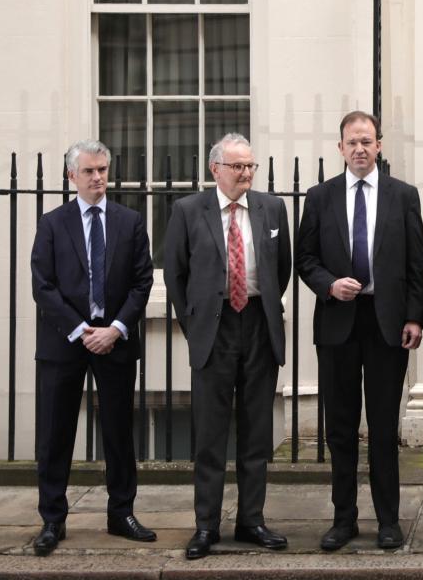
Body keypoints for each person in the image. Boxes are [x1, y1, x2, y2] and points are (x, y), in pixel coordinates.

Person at [295, 111, 423, 552]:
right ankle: (343, 518)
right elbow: (304, 259)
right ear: (340, 148)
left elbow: (415, 264)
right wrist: (329, 284)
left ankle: (388, 520)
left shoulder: (403, 196)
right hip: (338, 321)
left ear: (379, 145)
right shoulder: (319, 196)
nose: (360, 149)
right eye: (352, 142)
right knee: (341, 429)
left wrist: (415, 316)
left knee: (385, 427)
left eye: (367, 141)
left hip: (387, 323)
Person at [164, 133, 293, 560]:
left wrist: (264, 308)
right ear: (214, 168)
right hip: (214, 328)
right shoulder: (188, 210)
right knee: (211, 434)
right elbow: (175, 276)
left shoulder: (272, 208)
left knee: (257, 431)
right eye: (237, 166)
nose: (246, 174)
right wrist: (195, 323)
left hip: (257, 322)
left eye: (250, 166)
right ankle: (206, 525)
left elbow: (283, 268)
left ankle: (251, 521)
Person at [30, 140, 155, 556]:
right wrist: (82, 328)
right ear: (72, 176)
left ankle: (122, 513)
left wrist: (115, 328)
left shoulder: (129, 221)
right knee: (55, 432)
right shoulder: (52, 224)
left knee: (119, 432)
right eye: (89, 171)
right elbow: (42, 286)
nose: (98, 177)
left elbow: (142, 282)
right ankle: (52, 519)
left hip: (115, 342)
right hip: (65, 342)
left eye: (103, 169)